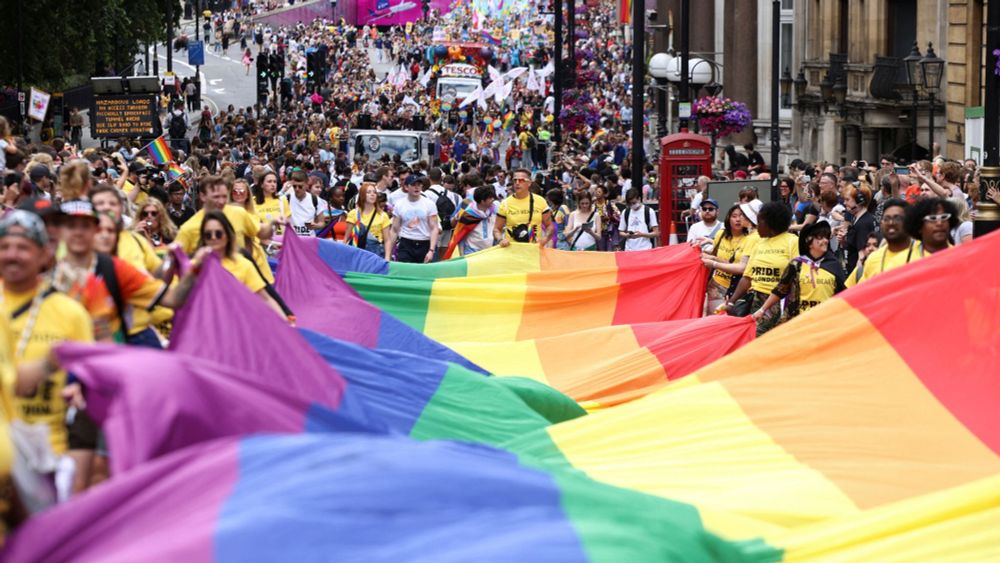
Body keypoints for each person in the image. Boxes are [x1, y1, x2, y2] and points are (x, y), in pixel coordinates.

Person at [0, 211, 94, 499]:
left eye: (23, 247)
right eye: (4, 247)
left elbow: (88, 386)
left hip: (51, 455)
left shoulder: (71, 314)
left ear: (43, 255)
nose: (12, 255)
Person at [175, 175, 273, 283]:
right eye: (216, 197)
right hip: (212, 287)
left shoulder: (238, 213)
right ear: (202, 196)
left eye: (224, 196)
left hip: (245, 283)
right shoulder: (188, 229)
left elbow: (261, 233)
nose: (221, 201)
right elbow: (178, 265)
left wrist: (273, 224)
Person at [726, 201, 799, 335]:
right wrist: (731, 301)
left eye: (759, 222)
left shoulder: (792, 241)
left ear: (770, 223)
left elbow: (797, 274)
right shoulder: (759, 243)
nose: (757, 226)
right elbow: (747, 277)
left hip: (779, 302)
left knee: (760, 337)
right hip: (755, 301)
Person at [752, 221, 845, 325]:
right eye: (820, 237)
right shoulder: (796, 264)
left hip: (826, 322)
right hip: (799, 321)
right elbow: (780, 290)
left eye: (826, 237)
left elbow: (844, 293)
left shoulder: (834, 264)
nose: (826, 240)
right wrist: (762, 310)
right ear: (809, 241)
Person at [196, 210, 286, 318]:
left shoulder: (244, 264)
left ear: (228, 235)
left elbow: (266, 298)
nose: (214, 237)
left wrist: (286, 322)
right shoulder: (195, 266)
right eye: (208, 235)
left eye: (218, 233)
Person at [702, 204, 747, 314]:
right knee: (715, 320)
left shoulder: (751, 239)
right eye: (734, 216)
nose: (738, 219)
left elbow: (743, 268)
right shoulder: (721, 234)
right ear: (728, 218)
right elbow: (714, 253)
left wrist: (713, 260)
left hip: (738, 289)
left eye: (741, 216)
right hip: (717, 285)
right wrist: (697, 251)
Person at [387, 174, 440, 263]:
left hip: (424, 243)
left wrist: (431, 250)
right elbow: (394, 230)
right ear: (407, 187)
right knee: (405, 272)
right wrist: (388, 254)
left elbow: (434, 228)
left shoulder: (429, 204)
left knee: (422, 273)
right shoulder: (399, 204)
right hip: (406, 243)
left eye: (419, 185)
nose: (417, 187)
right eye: (413, 185)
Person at [494, 168, 553, 248]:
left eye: (521, 180)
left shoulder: (540, 201)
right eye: (515, 180)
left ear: (529, 183)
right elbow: (497, 229)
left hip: (534, 251)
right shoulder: (505, 203)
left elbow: (549, 226)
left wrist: (545, 240)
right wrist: (500, 239)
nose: (517, 183)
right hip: (513, 251)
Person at [344, 179, 392, 257]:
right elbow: (346, 238)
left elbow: (387, 240)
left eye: (374, 192)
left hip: (376, 255)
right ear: (362, 195)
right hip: (357, 254)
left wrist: (387, 258)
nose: (372, 194)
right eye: (368, 192)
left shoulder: (383, 215)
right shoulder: (353, 214)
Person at [837, 184, 876, 274]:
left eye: (847, 200)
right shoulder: (858, 219)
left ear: (859, 201)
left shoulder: (863, 223)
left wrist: (857, 278)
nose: (845, 203)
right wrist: (844, 240)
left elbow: (862, 255)